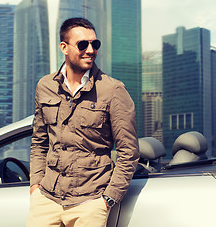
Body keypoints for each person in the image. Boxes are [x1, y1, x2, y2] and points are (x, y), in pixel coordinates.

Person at [27, 17, 139, 227]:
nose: (90, 50)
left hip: (90, 202)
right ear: (64, 47)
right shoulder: (45, 86)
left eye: (95, 44)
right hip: (46, 199)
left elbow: (129, 151)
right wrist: (35, 186)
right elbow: (39, 142)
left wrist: (107, 199)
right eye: (82, 44)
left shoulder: (113, 90)